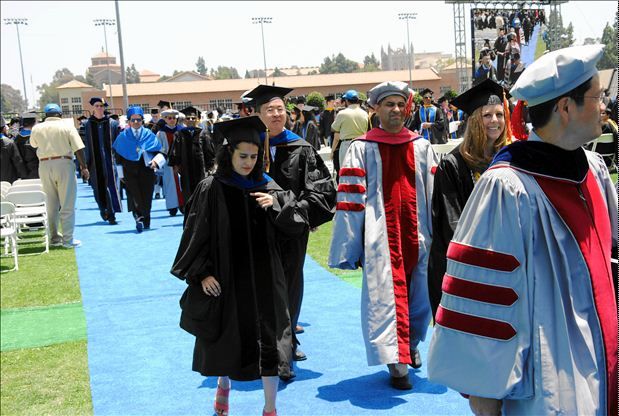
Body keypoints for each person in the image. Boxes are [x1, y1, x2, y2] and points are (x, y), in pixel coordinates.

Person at [427, 45, 617, 416]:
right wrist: (484, 396)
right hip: (552, 382)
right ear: (565, 108)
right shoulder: (507, 187)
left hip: (607, 363)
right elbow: (482, 297)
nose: (605, 106)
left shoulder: (593, 169)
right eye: (597, 97)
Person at [171, 116, 306, 416]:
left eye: (254, 156)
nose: (248, 163)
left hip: (266, 279)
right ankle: (224, 382)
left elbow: (296, 227)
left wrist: (277, 206)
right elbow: (195, 233)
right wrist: (202, 273)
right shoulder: (212, 187)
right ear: (228, 153)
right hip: (228, 278)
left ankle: (270, 407)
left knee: (271, 342)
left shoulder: (268, 186)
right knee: (228, 340)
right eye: (242, 156)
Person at [329, 81, 437, 390]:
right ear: (375, 109)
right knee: (385, 299)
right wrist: (350, 246)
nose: (395, 110)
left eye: (400, 104)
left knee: (420, 297)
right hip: (379, 238)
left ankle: (410, 344)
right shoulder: (361, 148)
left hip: (419, 234)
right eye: (388, 104)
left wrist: (439, 236)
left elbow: (434, 195)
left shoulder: (421, 146)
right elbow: (351, 201)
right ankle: (396, 363)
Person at [244, 84, 336, 373]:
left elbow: (321, 192)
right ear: (257, 114)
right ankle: (264, 343)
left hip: (290, 228)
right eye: (269, 110)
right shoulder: (245, 148)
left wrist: (299, 211)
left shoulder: (301, 148)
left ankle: (288, 342)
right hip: (254, 230)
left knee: (291, 284)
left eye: (280, 109)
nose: (276, 114)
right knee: (259, 285)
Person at [427, 79, 512, 318]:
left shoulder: (510, 158)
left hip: (507, 261)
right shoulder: (453, 165)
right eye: (487, 115)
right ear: (474, 120)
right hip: (469, 266)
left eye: (499, 114)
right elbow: (451, 223)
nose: (495, 120)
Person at [29, 104, 89, 248]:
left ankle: (54, 237)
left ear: (46, 115)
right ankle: (68, 239)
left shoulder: (37, 128)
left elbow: (33, 144)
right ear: (60, 114)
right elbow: (78, 148)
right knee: (67, 203)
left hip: (44, 165)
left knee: (51, 204)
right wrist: (84, 167)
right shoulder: (67, 126)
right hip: (64, 164)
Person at [112, 106, 164, 232]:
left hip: (147, 169)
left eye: (138, 120)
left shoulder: (149, 135)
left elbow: (160, 152)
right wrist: (120, 175)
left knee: (147, 195)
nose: (136, 122)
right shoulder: (122, 137)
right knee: (133, 195)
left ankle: (146, 218)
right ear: (129, 121)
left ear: (142, 120)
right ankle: (138, 218)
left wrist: (156, 162)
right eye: (133, 120)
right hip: (129, 170)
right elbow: (118, 158)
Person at [81, 97, 122, 225]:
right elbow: (83, 145)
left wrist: (119, 161)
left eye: (101, 106)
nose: (99, 108)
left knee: (111, 186)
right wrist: (84, 164)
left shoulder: (112, 124)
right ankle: (103, 208)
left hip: (110, 161)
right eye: (97, 106)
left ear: (104, 107)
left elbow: (118, 144)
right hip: (94, 162)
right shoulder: (87, 125)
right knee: (97, 188)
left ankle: (111, 213)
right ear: (93, 107)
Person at [168, 106, 216, 204]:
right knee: (187, 192)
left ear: (197, 119)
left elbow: (209, 151)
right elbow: (175, 151)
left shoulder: (203, 133)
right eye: (188, 118)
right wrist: (175, 165)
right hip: (185, 170)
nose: (191, 120)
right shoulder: (179, 134)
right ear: (184, 120)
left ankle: (201, 211)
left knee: (202, 191)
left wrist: (211, 166)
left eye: (193, 118)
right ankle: (189, 210)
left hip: (201, 169)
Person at [330, 89, 370, 170]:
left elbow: (333, 128)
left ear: (347, 101)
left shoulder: (342, 113)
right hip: (361, 144)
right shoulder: (365, 113)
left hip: (346, 144)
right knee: (361, 169)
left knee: (345, 171)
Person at [155, 108, 184, 216]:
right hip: (168, 162)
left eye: (174, 118)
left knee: (182, 183)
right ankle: (172, 206)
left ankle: (183, 205)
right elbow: (158, 148)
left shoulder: (182, 130)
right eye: (169, 118)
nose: (172, 120)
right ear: (165, 119)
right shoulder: (161, 133)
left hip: (181, 162)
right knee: (170, 184)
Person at [1, 116, 28, 183]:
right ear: (4, 128)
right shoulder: (9, 143)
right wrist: (24, 177)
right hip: (8, 181)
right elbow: (18, 161)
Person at [13, 113, 39, 179]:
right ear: (34, 123)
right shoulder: (36, 137)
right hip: (37, 171)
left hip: (22, 173)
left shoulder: (16, 138)